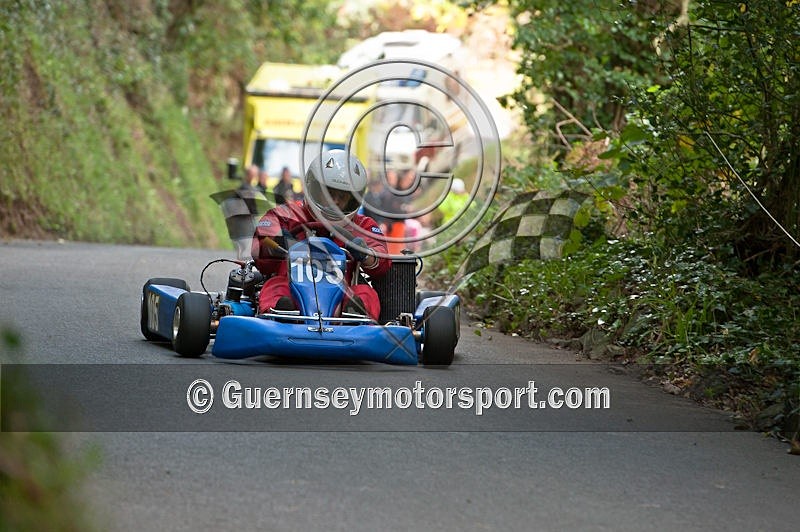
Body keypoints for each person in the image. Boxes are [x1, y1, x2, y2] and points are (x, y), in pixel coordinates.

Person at [251, 150, 391, 320]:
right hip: (292, 290)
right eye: (329, 194)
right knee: (275, 286)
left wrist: (366, 253)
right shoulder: (287, 214)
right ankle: (281, 312)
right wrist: (278, 241)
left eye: (342, 197)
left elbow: (382, 258)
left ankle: (355, 316)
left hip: (342, 296)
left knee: (365, 293)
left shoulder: (362, 225)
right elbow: (262, 237)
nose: (336, 202)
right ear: (314, 188)